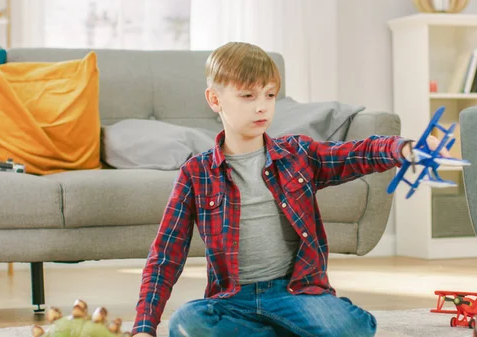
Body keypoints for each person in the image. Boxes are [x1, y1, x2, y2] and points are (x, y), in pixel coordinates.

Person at [132, 41, 450, 337]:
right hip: (232, 299)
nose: (262, 107)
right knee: (187, 323)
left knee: (351, 328)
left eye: (269, 95)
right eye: (248, 96)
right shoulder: (196, 173)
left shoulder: (298, 154)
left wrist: (404, 149)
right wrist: (145, 327)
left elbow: (356, 153)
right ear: (215, 100)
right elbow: (165, 256)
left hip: (294, 292)